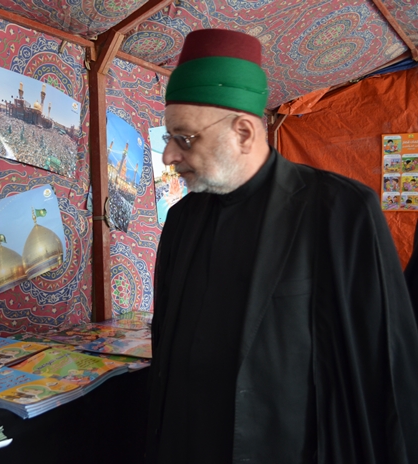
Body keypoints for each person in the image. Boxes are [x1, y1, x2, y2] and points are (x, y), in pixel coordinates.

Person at [146, 29, 418, 464]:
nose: (169, 157)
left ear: (243, 133)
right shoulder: (181, 220)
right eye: (168, 138)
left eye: (185, 137)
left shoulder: (341, 210)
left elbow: (385, 363)